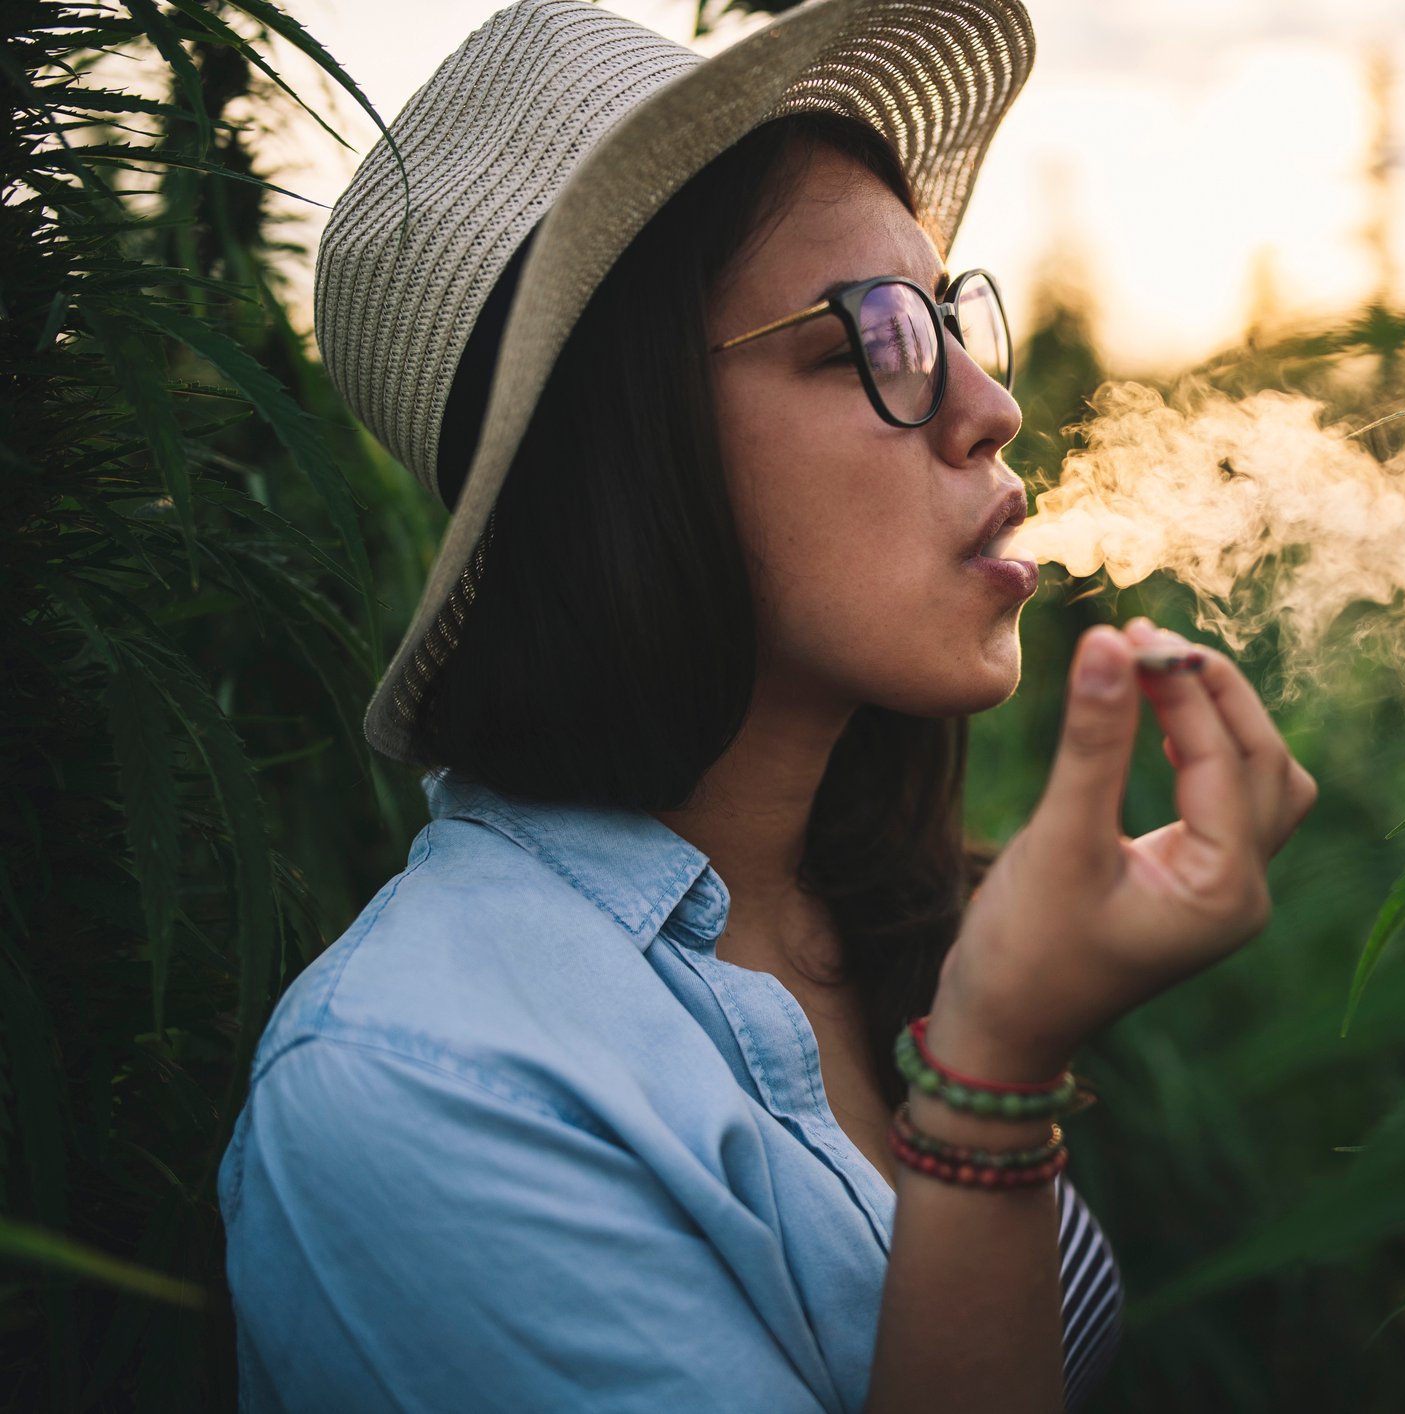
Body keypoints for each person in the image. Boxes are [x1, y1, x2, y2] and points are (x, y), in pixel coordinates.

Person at [216, 1, 1317, 1410]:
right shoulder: (420, 1089)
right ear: (625, 454)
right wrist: (990, 1080)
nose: (989, 406)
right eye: (873, 335)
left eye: (948, 317)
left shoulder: (869, 916)